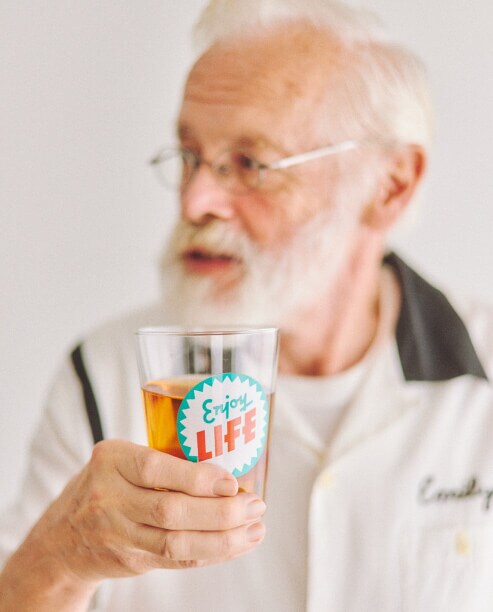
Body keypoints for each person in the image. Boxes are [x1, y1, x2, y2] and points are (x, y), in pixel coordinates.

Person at [1, 0, 493, 610]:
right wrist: (60, 554)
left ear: (389, 186)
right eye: (189, 157)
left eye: (250, 164)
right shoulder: (106, 375)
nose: (195, 201)